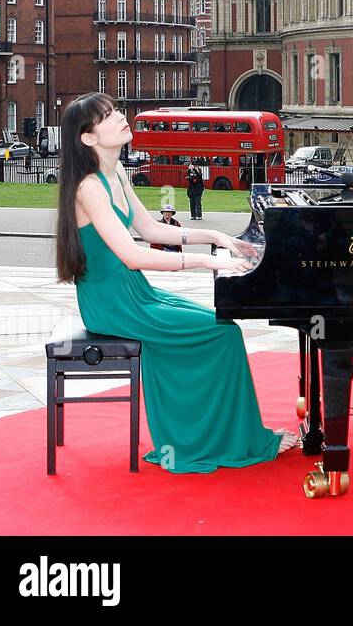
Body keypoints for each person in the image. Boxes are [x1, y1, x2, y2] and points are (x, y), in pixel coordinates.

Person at [54, 92, 298, 473]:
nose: (121, 117)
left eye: (118, 110)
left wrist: (217, 236)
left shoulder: (116, 173)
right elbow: (133, 256)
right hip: (113, 303)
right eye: (109, 116)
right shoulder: (88, 187)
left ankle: (232, 434)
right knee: (223, 334)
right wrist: (205, 261)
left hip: (134, 293)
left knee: (220, 325)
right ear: (88, 138)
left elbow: (150, 229)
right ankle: (225, 440)